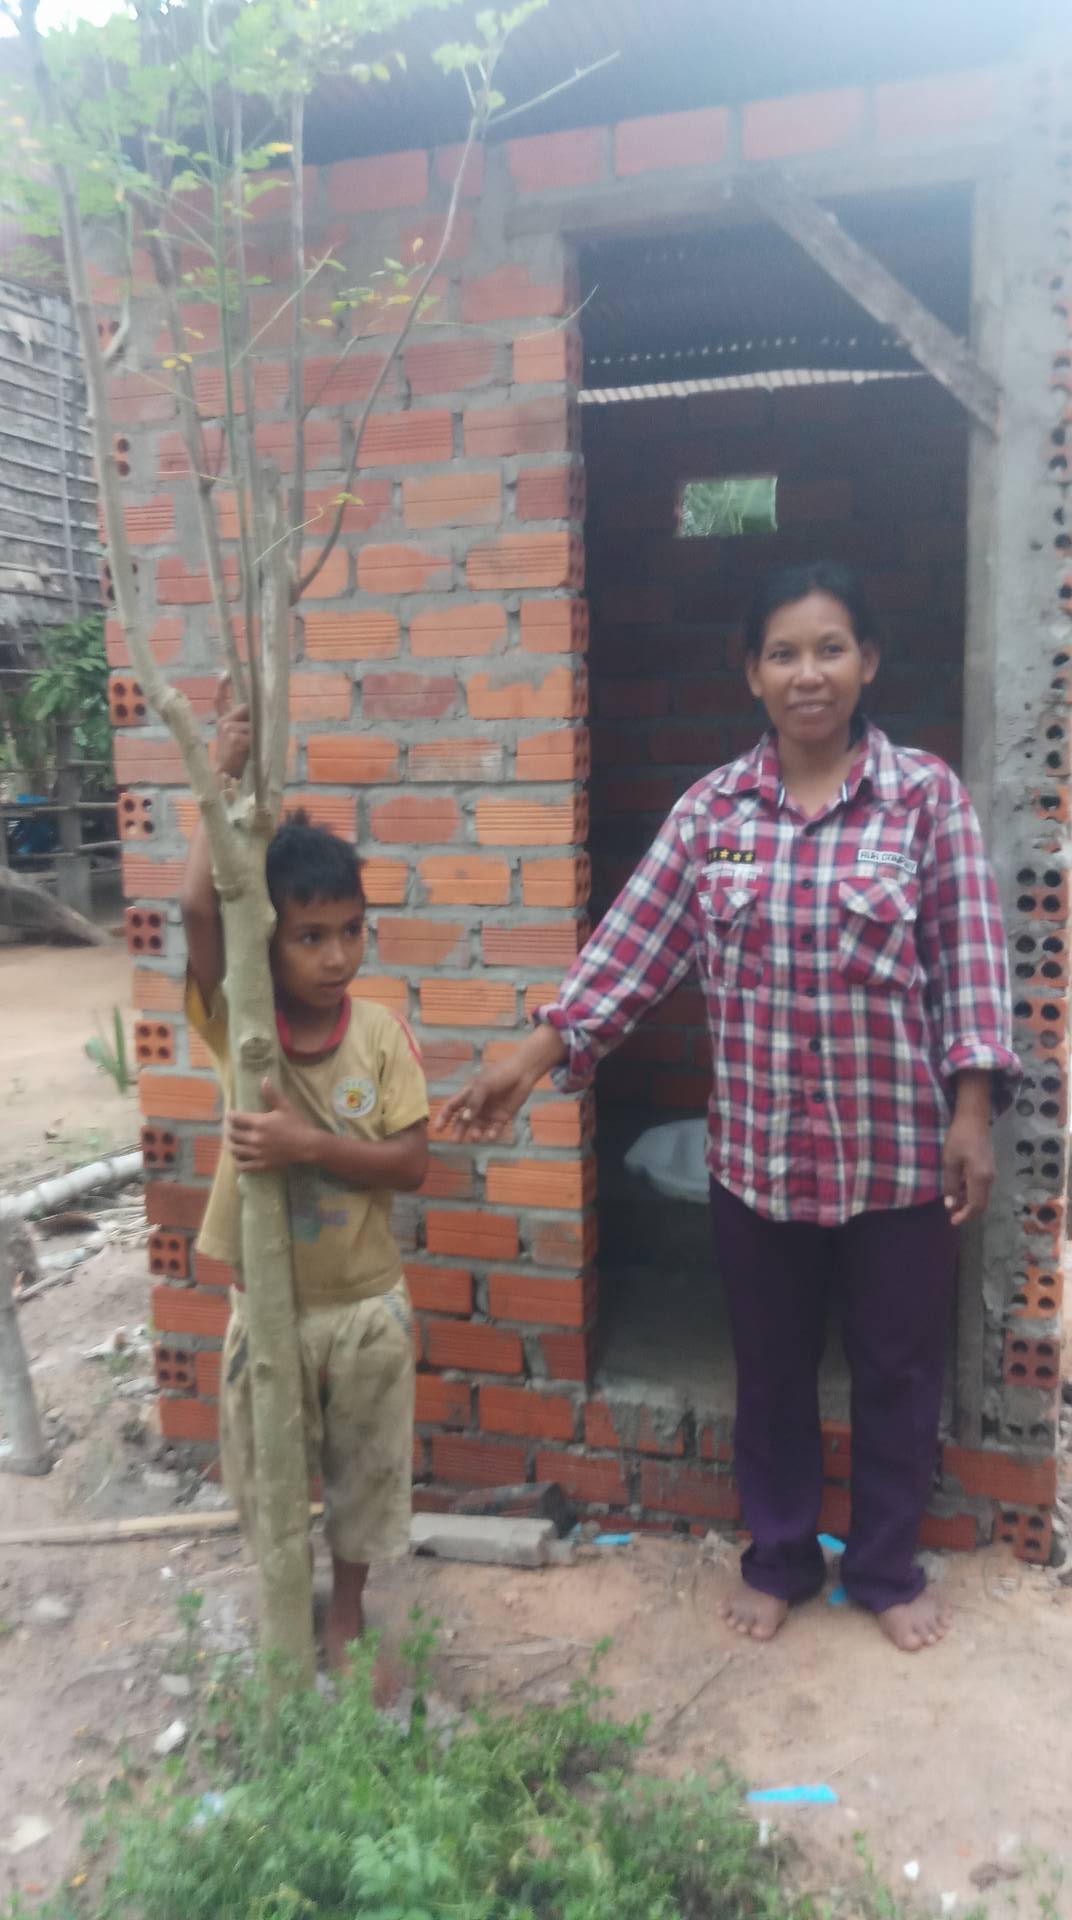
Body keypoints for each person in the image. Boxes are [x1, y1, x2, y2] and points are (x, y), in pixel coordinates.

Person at [439, 561, 1018, 1654]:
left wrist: (971, 1113)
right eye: (785, 653)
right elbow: (631, 947)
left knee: (898, 1371)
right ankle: (780, 1558)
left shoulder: (923, 798)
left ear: (869, 661)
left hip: (896, 1157)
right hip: (757, 1159)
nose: (810, 674)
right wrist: (528, 1056)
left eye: (831, 648)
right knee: (773, 1372)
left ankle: (887, 1569)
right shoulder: (714, 815)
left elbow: (972, 962)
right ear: (750, 672)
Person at [181, 684, 429, 1671]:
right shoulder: (240, 1028)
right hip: (269, 1305)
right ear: (266, 941)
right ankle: (289, 1600)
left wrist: (309, 1146)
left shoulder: (377, 1034)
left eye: (352, 932)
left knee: (366, 1471)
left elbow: (412, 1162)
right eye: (309, 936)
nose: (336, 956)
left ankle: (349, 1607)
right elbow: (199, 904)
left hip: (366, 1303)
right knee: (270, 1466)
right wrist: (223, 767)